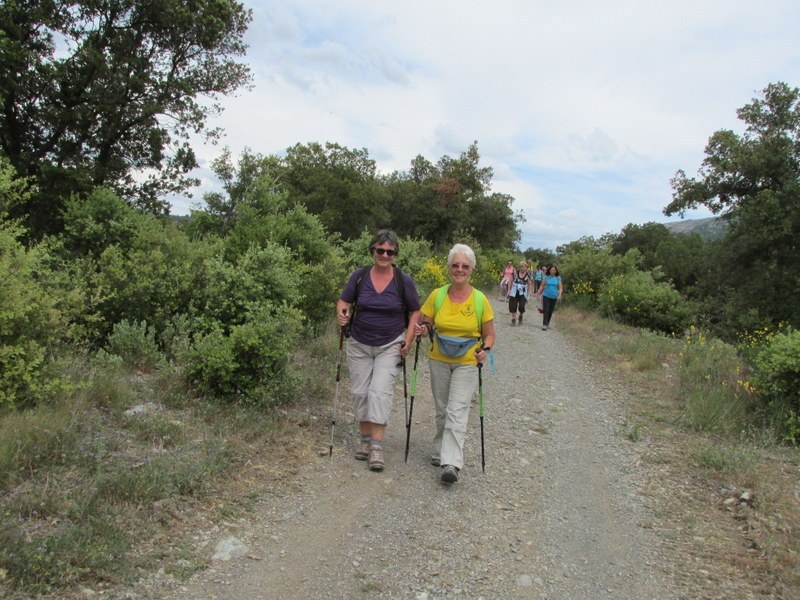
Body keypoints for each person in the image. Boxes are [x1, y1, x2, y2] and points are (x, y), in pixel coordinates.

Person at [336, 230, 421, 472]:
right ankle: (364, 441)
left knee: (379, 392)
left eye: (389, 251)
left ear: (395, 254)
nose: (384, 255)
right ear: (372, 250)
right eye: (379, 250)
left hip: (390, 343)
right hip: (359, 343)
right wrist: (341, 314)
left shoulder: (403, 280)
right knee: (361, 392)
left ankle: (376, 447)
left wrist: (409, 338)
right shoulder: (359, 276)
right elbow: (344, 301)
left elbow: (415, 311)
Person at [413, 244, 496, 484]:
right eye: (455, 265)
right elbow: (427, 323)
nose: (459, 270)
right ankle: (440, 450)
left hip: (467, 361)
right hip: (439, 359)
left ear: (472, 270)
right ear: (449, 267)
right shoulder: (437, 295)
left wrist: (486, 350)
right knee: (442, 410)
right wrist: (423, 328)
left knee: (457, 410)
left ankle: (451, 463)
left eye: (465, 266)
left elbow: (489, 334)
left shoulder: (480, 300)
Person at [536, 264, 563, 331]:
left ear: (556, 271)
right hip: (546, 295)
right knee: (546, 310)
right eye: (551, 270)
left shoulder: (558, 278)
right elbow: (542, 286)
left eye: (554, 270)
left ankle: (547, 323)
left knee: (550, 311)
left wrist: (559, 295)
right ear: (549, 270)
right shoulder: (546, 277)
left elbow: (560, 287)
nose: (552, 271)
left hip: (554, 296)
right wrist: (538, 293)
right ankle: (544, 324)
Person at [508, 261, 532, 326]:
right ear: (520, 267)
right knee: (513, 305)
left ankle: (521, 316)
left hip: (523, 292)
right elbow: (510, 281)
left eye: (524, 267)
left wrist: (529, 293)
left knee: (521, 306)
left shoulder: (528, 275)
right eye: (521, 267)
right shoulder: (515, 273)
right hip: (514, 291)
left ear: (526, 268)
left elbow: (529, 284)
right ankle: (513, 319)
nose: (523, 268)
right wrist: (509, 290)